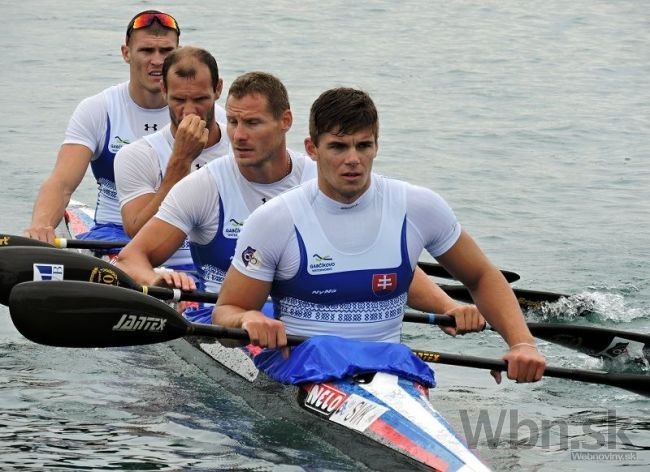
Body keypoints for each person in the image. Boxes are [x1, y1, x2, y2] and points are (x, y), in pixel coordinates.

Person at [213, 87, 545, 384]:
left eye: (363, 145)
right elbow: (225, 312)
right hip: (301, 368)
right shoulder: (274, 220)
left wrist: (521, 344)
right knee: (322, 350)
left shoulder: (417, 206)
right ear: (312, 149)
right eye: (338, 147)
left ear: (376, 145)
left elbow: (482, 276)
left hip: (389, 368)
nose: (353, 160)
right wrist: (248, 317)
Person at [116, 74, 481, 332]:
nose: (239, 136)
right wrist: (157, 277)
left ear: (285, 122)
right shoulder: (204, 187)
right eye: (233, 123)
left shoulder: (323, 177)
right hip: (228, 318)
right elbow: (131, 258)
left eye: (253, 123)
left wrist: (447, 306)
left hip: (303, 319)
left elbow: (385, 263)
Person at [23, 10, 225, 244]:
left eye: (166, 51)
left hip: (188, 234)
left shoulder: (215, 117)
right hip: (115, 232)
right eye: (147, 50)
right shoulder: (99, 109)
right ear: (126, 53)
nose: (157, 60)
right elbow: (62, 183)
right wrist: (42, 226)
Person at [114, 46, 230, 270]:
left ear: (218, 89)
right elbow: (137, 232)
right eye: (178, 100)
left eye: (200, 99)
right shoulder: (136, 155)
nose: (189, 111)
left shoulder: (242, 148)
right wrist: (181, 161)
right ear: (164, 90)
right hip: (166, 274)